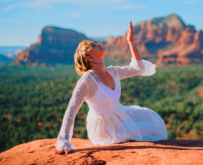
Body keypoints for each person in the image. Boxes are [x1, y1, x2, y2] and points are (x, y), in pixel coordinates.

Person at [55, 21, 167, 155]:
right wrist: (64, 141)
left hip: (121, 115)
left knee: (154, 122)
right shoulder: (88, 81)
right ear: (88, 56)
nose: (99, 44)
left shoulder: (113, 71)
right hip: (105, 128)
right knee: (143, 135)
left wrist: (131, 42)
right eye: (94, 45)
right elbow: (70, 112)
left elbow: (139, 68)